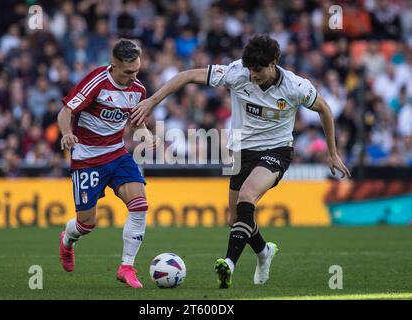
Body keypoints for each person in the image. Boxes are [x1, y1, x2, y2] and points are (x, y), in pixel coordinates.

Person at [131, 34, 351, 288]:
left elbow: (324, 109)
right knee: (235, 219)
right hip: (241, 153)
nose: (253, 76)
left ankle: (229, 263)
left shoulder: (296, 87)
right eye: (250, 70)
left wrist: (332, 152)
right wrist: (152, 101)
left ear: (274, 62)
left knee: (248, 196)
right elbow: (187, 76)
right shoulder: (237, 72)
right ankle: (264, 252)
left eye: (258, 70)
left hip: (276, 150)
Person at [58, 39, 154, 289]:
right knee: (87, 223)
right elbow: (66, 111)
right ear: (113, 65)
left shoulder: (138, 90)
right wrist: (66, 133)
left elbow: (137, 120)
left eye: (137, 70)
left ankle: (127, 267)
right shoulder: (97, 82)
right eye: (128, 72)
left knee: (140, 205)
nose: (133, 77)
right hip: (87, 158)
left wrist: (145, 134)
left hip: (117, 154)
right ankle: (68, 240)